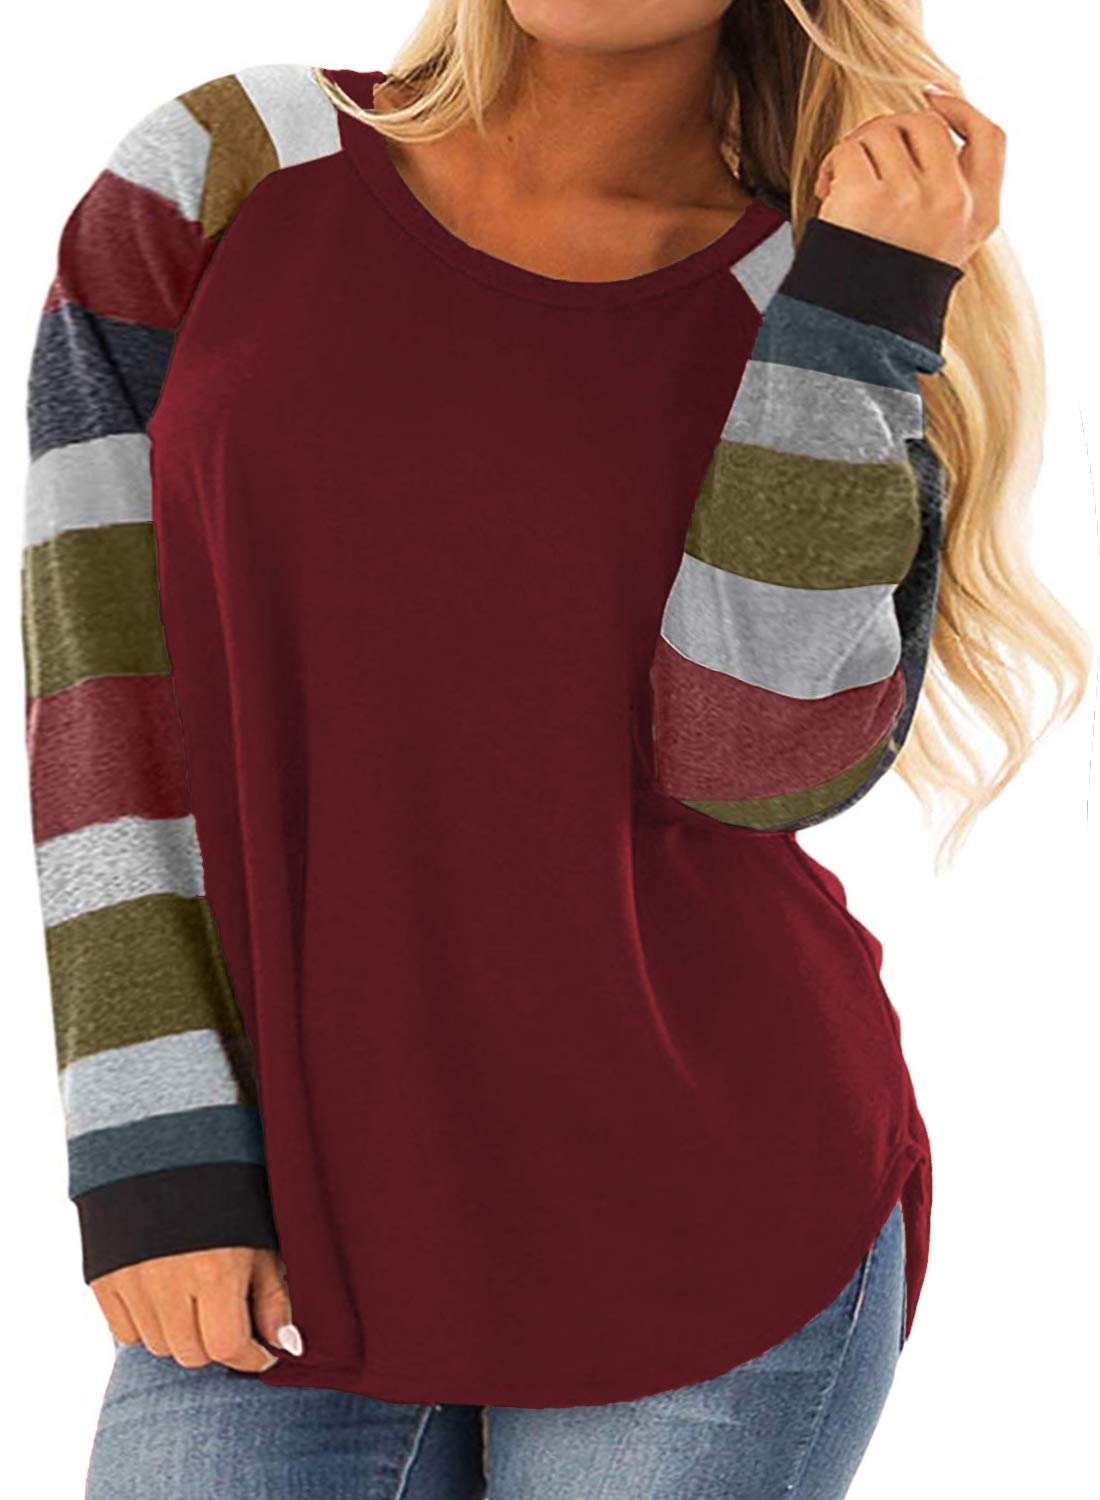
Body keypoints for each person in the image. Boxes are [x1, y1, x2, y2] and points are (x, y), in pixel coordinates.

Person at [20, 3, 1090, 1497]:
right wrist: (154, 1160)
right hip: (290, 1204)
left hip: (700, 1213)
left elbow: (752, 759)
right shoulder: (232, 168)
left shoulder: (814, 286)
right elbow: (101, 695)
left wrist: (862, 307)